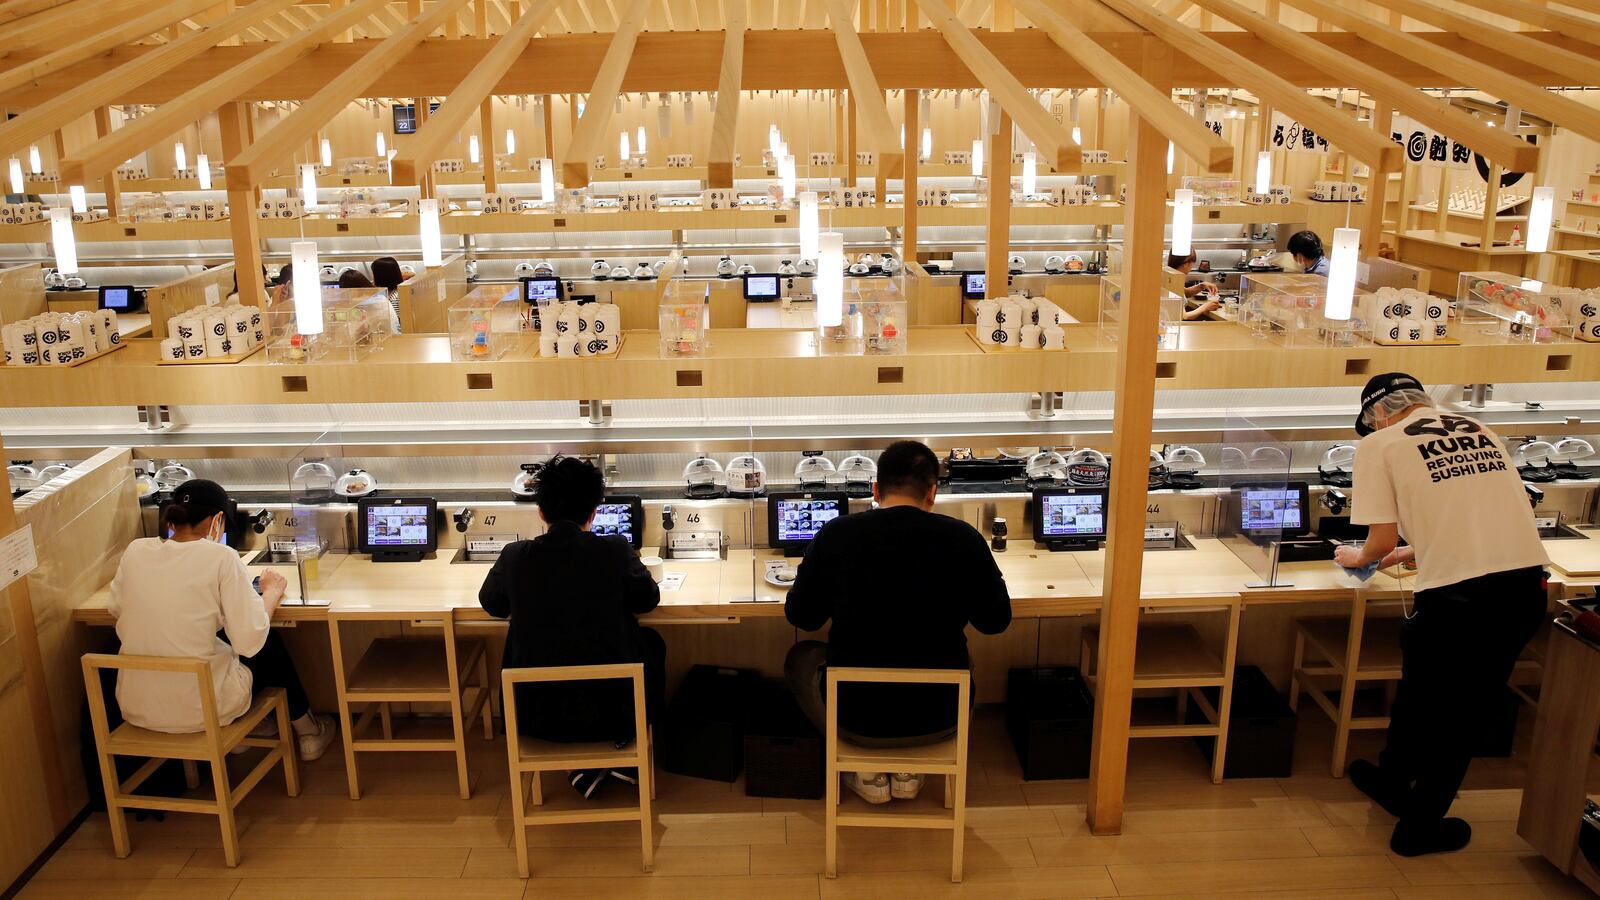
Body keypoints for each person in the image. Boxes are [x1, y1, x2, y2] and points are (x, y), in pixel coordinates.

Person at [1332, 373, 1549, 857]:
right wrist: (1399, 556)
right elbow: (1467, 522)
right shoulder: (1478, 429)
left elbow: (1379, 541)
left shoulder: (1379, 445)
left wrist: (1359, 558)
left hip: (1458, 599)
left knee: (1437, 706)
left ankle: (1419, 827)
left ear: (1377, 415)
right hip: (1518, 591)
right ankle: (1392, 782)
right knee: (1448, 706)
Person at [784, 440, 1011, 804]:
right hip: (940, 713)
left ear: (875, 490)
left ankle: (867, 772)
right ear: (932, 492)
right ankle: (909, 772)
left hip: (856, 715)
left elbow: (802, 617)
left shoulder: (836, 534)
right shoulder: (964, 538)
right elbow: (996, 621)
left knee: (800, 657)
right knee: (961, 658)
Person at [107, 479, 337, 760]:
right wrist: (272, 593)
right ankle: (308, 731)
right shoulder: (221, 557)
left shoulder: (135, 551)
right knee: (266, 640)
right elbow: (250, 642)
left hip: (136, 705)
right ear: (217, 520)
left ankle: (256, 728)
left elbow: (116, 608)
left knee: (220, 640)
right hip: (205, 707)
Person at [478, 456, 664, 798]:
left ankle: (582, 766)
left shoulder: (515, 556)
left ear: (540, 512)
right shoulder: (615, 550)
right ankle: (621, 754)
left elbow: (491, 603)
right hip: (614, 715)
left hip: (534, 716)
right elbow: (648, 599)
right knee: (651, 641)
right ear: (594, 513)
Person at [1168, 250, 1222, 320]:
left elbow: (1184, 293)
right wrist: (1205, 307)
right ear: (1186, 263)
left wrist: (1201, 286)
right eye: (1192, 263)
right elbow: (1184, 316)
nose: (1191, 267)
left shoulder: (1172, 275)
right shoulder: (1174, 281)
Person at [371, 256, 406, 334]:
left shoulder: (395, 298)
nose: (372, 277)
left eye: (373, 274)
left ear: (381, 276)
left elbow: (396, 325)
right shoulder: (395, 292)